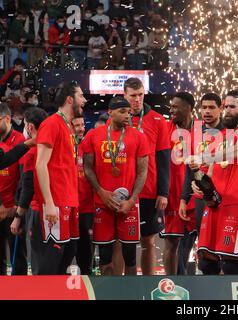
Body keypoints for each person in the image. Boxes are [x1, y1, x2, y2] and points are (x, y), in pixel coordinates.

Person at [191, 90, 238, 275]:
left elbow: (236, 152)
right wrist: (200, 185)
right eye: (225, 106)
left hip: (237, 202)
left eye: (232, 106)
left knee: (230, 264)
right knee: (206, 263)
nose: (227, 110)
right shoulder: (220, 134)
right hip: (215, 203)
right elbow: (211, 171)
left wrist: (204, 156)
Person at [83, 97, 149, 275]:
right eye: (122, 112)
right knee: (104, 255)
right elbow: (87, 167)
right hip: (101, 203)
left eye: (129, 112)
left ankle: (130, 293)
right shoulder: (93, 135)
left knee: (130, 256)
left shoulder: (139, 137)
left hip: (128, 205)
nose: (127, 115)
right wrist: (101, 192)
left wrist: (132, 200)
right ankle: (107, 293)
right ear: (110, 113)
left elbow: (143, 172)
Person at [32, 81, 86, 275]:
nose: (84, 100)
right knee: (50, 263)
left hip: (69, 202)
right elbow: (40, 165)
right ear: (69, 99)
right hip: (55, 203)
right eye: (81, 96)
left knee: (66, 256)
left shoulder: (68, 126)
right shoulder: (51, 124)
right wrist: (48, 203)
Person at [121, 77, 170, 275]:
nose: (137, 99)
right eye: (133, 96)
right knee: (123, 240)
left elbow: (163, 158)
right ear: (124, 95)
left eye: (140, 95)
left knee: (148, 240)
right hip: (123, 191)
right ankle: (126, 286)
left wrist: (163, 192)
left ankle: (149, 284)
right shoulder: (117, 118)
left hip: (149, 190)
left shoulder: (158, 120)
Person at [178, 93, 224, 275]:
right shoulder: (196, 132)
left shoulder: (228, 132)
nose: (207, 111)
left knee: (221, 249)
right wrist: (183, 199)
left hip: (222, 198)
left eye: (212, 107)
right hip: (199, 198)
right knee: (204, 253)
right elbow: (190, 169)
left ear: (220, 109)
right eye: (204, 107)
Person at [161, 92, 196, 275]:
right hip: (174, 194)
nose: (172, 110)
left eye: (176, 107)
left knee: (198, 244)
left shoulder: (202, 130)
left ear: (189, 108)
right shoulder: (165, 129)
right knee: (171, 242)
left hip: (197, 194)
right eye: (171, 106)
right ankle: (171, 283)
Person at [9, 107, 48, 272]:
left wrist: (18, 216)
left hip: (37, 209)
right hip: (56, 207)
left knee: (39, 259)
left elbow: (28, 185)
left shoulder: (32, 151)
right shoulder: (53, 146)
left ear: (30, 127)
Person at [0, 103, 27, 275]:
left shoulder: (21, 142)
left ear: (7, 119)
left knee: (18, 257)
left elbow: (24, 179)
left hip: (14, 211)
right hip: (0, 206)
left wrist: (14, 207)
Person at [72, 116, 95, 275]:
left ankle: (88, 282)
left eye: (82, 125)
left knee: (85, 250)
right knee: (66, 249)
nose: (80, 128)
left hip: (86, 207)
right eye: (76, 125)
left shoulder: (89, 146)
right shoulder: (64, 145)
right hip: (68, 206)